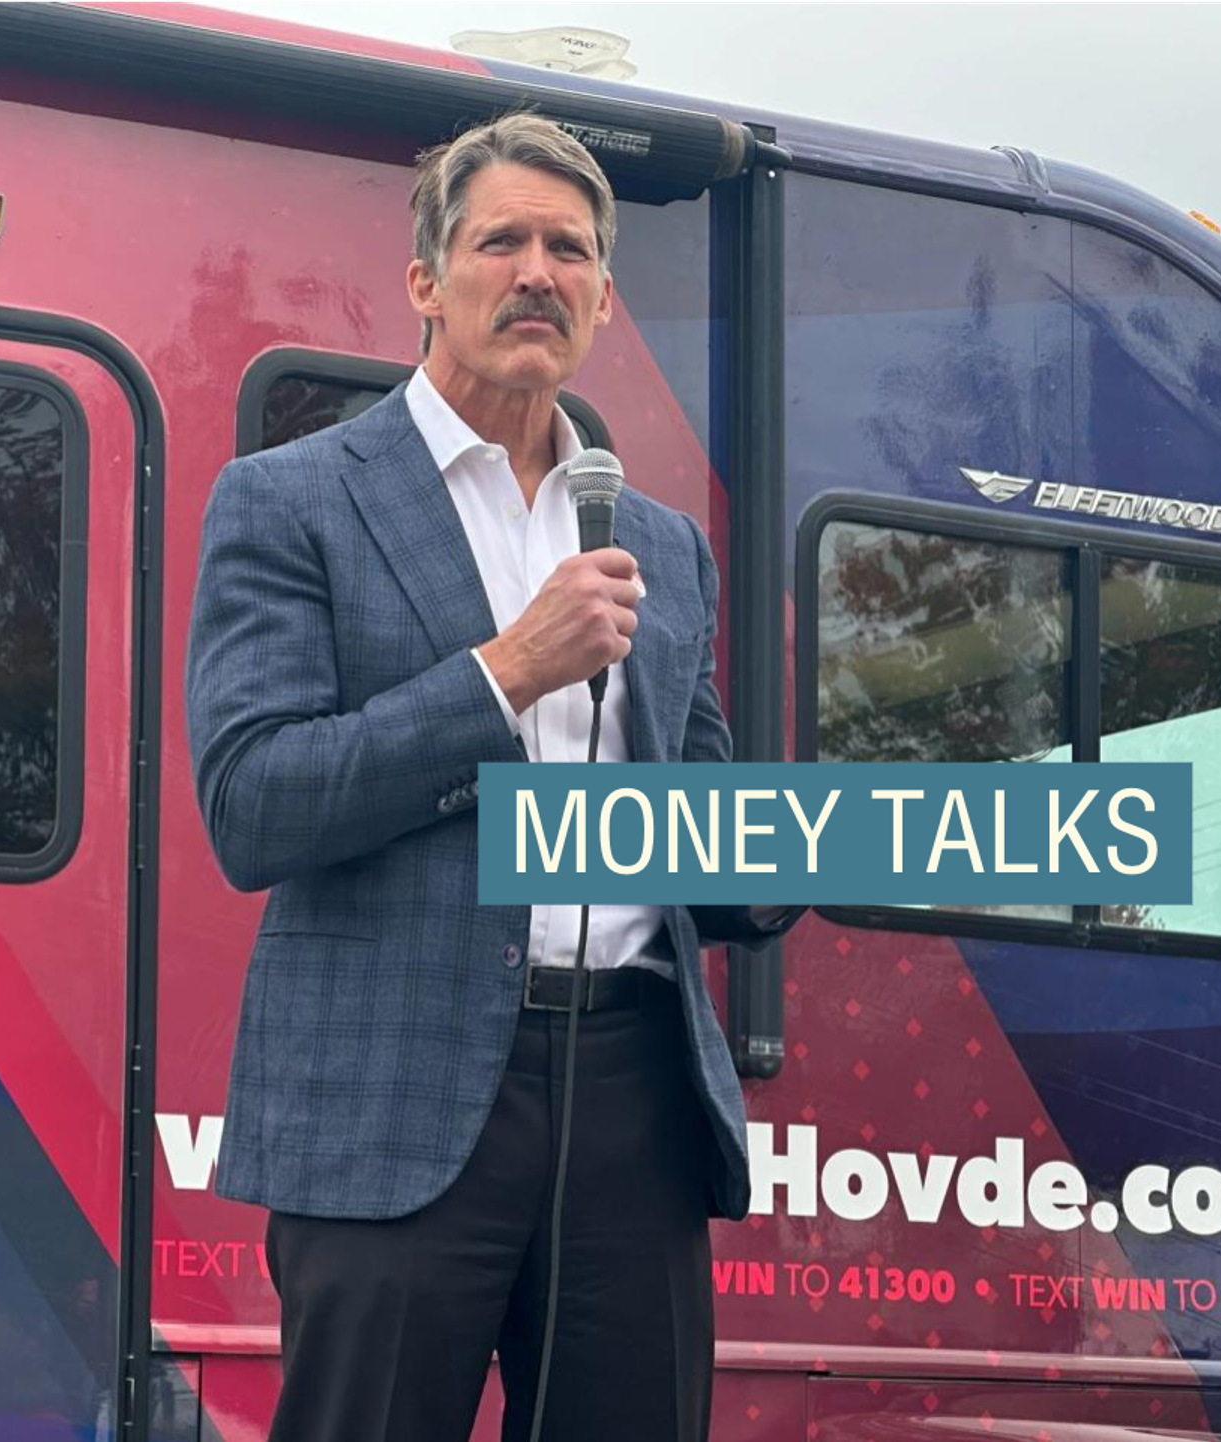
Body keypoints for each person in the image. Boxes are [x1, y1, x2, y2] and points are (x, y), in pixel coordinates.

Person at [186, 111, 801, 1442]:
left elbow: (708, 842)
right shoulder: (292, 500)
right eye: (502, 241)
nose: (538, 271)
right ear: (425, 283)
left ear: (602, 298)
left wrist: (848, 837)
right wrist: (505, 672)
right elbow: (254, 800)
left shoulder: (661, 543)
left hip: (636, 1090)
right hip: (397, 1095)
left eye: (570, 249)